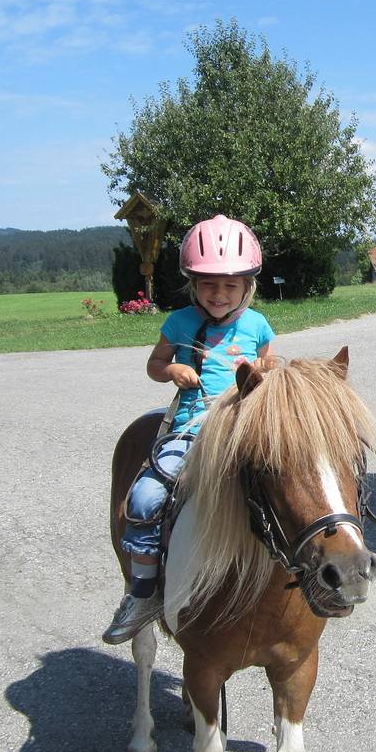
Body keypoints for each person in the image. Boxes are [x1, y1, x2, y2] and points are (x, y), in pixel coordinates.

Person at [102, 214, 275, 644]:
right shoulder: (178, 323)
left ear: (247, 286)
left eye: (230, 285)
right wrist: (174, 368)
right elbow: (154, 365)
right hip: (189, 431)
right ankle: (141, 594)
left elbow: (271, 367)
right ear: (192, 283)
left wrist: (262, 374)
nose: (218, 294)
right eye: (208, 284)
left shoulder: (256, 325)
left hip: (241, 429)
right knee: (143, 498)